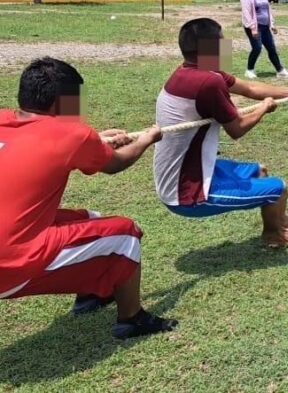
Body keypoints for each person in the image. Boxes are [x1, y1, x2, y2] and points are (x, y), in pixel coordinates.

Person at [0, 57, 177, 340]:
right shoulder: (72, 135)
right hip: (10, 266)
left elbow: (42, 140)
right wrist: (145, 139)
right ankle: (132, 319)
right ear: (62, 105)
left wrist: (94, 138)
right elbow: (116, 163)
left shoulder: (5, 120)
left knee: (91, 220)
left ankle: (91, 293)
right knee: (126, 234)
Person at [153, 18, 288, 248]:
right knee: (278, 188)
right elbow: (237, 129)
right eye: (222, 41)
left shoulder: (191, 72)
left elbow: (250, 88)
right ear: (209, 48)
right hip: (185, 192)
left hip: (191, 170)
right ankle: (274, 234)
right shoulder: (207, 82)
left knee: (259, 171)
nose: (226, 46)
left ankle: (281, 222)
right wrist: (263, 109)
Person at [241, 0, 288, 80]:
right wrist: (253, 28)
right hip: (254, 27)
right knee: (257, 48)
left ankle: (280, 71)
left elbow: (268, 11)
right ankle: (249, 70)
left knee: (271, 48)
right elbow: (246, 14)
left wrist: (272, 25)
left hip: (265, 27)